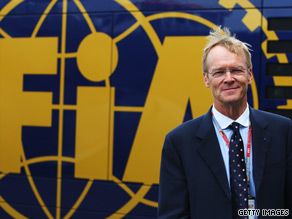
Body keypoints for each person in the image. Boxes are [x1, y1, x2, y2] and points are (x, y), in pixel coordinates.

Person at [158, 26, 292, 219]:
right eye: (219, 72)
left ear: (249, 75)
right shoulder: (179, 142)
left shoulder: (283, 130)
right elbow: (173, 215)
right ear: (206, 79)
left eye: (236, 70)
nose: (229, 79)